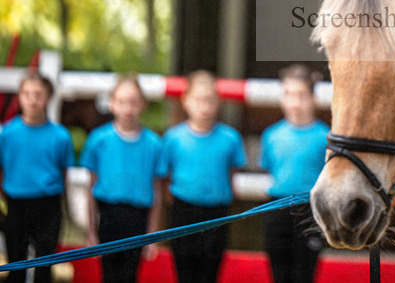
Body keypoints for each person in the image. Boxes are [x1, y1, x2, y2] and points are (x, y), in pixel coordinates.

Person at [160, 70, 246, 283]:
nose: (204, 106)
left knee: (210, 272)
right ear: (185, 101)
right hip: (183, 210)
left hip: (217, 212)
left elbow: (232, 172)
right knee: (184, 271)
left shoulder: (230, 138)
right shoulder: (173, 138)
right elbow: (164, 176)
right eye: (198, 100)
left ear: (218, 102)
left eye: (209, 100)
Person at [80, 75, 166, 283]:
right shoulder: (98, 140)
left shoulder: (154, 143)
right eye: (121, 101)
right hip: (107, 216)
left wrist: (152, 235)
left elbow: (157, 192)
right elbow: (89, 189)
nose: (127, 108)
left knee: (130, 275)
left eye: (134, 102)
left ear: (143, 105)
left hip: (138, 218)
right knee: (108, 275)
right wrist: (90, 232)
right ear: (111, 104)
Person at [0, 73, 75, 283]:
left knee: (44, 265)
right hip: (15, 204)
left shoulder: (60, 136)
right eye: (27, 94)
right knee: (16, 263)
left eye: (38, 94)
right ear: (19, 97)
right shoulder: (6, 134)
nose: (32, 99)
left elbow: (64, 173)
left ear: (48, 97)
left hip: (48, 206)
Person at [260, 65, 329, 283]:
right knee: (279, 275)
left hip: (310, 210)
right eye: (289, 94)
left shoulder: (325, 136)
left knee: (304, 275)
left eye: (301, 95)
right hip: (277, 208)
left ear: (312, 98)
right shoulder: (271, 135)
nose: (295, 102)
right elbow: (269, 168)